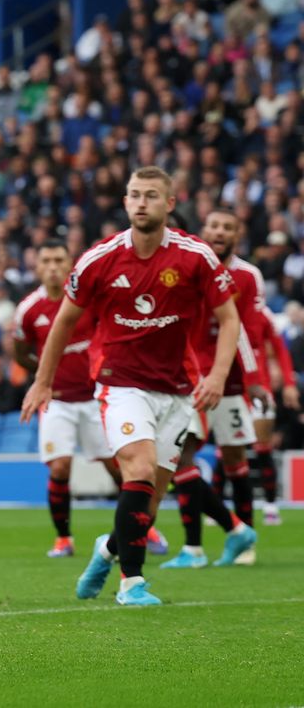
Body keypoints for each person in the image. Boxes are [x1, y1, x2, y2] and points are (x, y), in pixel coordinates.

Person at [21, 166, 252, 607]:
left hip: (177, 391)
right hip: (120, 385)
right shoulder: (99, 258)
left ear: (169, 203)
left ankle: (107, 550)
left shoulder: (195, 256)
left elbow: (229, 319)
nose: (141, 202)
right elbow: (63, 322)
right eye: (134, 195)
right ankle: (131, 583)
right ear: (125, 202)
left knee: (147, 507)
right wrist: (42, 382)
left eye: (150, 195)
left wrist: (218, 375)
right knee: (139, 470)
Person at [13, 239, 167, 558]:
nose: (53, 267)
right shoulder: (28, 310)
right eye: (47, 260)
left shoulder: (89, 301)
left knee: (119, 466)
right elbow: (20, 352)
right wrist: (46, 375)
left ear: (70, 263)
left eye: (59, 260)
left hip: (98, 398)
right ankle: (63, 539)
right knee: (59, 468)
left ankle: (144, 526)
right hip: (57, 402)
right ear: (37, 266)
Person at [161, 208, 263, 568]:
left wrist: (254, 380)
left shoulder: (248, 276)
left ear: (238, 234)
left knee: (235, 460)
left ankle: (243, 538)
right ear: (204, 230)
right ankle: (196, 547)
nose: (219, 232)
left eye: (227, 227)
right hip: (191, 379)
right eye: (214, 226)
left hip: (230, 383)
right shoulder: (190, 267)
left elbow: (247, 330)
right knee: (178, 456)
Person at [245, 298, 299, 526]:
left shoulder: (261, 314)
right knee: (228, 451)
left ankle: (270, 505)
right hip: (229, 389)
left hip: (259, 389)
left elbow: (279, 350)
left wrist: (288, 382)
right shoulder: (215, 306)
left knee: (262, 449)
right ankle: (219, 506)